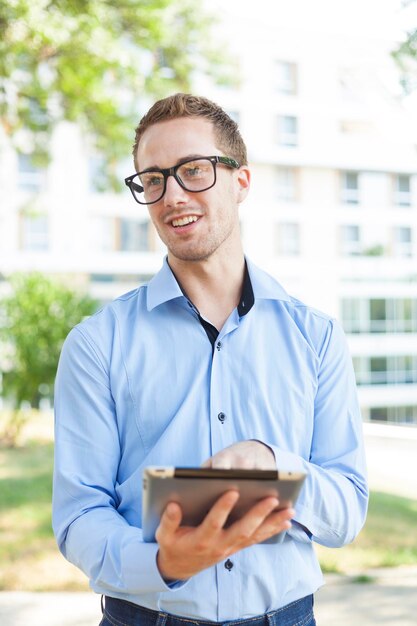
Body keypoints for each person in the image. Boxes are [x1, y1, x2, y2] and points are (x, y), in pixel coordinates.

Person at [52, 93, 368, 626]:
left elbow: (346, 511)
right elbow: (79, 514)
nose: (172, 194)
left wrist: (271, 467)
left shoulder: (315, 337)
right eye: (153, 179)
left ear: (241, 181)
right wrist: (162, 562)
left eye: (194, 170)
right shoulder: (96, 344)